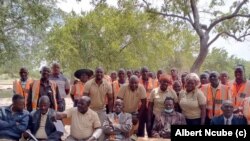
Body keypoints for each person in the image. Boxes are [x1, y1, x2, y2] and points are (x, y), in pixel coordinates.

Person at [138, 66, 155, 137]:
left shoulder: (154, 82)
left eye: (146, 71)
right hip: (140, 108)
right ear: (141, 73)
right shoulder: (137, 81)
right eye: (143, 71)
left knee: (150, 127)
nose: (145, 73)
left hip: (150, 108)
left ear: (148, 72)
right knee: (140, 128)